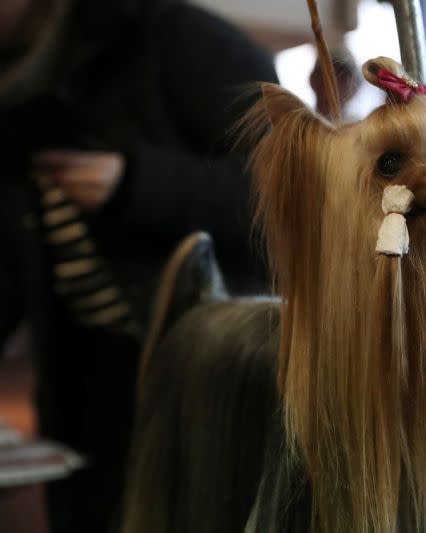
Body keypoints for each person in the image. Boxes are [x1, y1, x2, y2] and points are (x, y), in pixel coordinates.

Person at [0, 1, 279, 532]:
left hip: (203, 366)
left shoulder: (174, 35)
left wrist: (134, 182)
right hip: (83, 370)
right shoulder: (20, 75)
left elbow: (279, 194)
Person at [309, 47, 360, 120]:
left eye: (342, 79)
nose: (333, 86)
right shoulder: (296, 127)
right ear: (313, 81)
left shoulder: (362, 129)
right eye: (326, 76)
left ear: (354, 89)